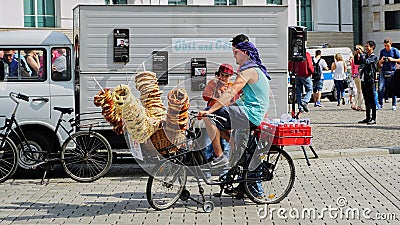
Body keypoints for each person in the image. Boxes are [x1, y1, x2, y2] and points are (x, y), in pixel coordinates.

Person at [198, 36, 270, 168]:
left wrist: (210, 110)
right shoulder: (251, 69)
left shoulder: (249, 70)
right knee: (239, 159)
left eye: (236, 52)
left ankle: (219, 157)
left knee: (210, 117)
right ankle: (233, 144)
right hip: (250, 112)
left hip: (251, 114)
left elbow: (231, 92)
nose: (234, 55)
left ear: (246, 53)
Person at [202, 63, 234, 162]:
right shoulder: (213, 83)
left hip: (224, 117)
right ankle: (206, 174)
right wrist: (216, 87)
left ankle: (224, 173)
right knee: (208, 145)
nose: (223, 78)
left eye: (226, 76)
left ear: (230, 77)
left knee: (225, 145)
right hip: (212, 116)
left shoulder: (232, 86)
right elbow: (205, 96)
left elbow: (234, 101)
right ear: (218, 74)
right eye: (222, 74)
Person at [355, 40, 378, 125]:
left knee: (372, 100)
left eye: (367, 46)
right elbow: (357, 62)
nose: (366, 48)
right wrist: (356, 54)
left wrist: (361, 54)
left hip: (370, 80)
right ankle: (368, 117)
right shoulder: (365, 56)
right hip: (364, 80)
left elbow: (367, 62)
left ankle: (374, 118)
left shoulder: (373, 57)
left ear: (372, 47)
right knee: (366, 99)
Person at [377, 38, 400, 111]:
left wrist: (392, 59)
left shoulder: (394, 50)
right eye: (385, 46)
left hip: (392, 71)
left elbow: (399, 59)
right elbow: (379, 63)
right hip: (383, 71)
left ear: (391, 44)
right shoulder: (382, 51)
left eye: (387, 46)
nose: (386, 47)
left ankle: (394, 104)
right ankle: (380, 103)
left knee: (393, 88)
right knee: (380, 88)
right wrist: (381, 61)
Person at [351, 45, 365, 111]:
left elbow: (352, 68)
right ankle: (359, 105)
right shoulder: (362, 57)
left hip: (355, 75)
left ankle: (354, 103)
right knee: (361, 91)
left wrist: (353, 75)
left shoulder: (354, 58)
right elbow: (363, 62)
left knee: (358, 91)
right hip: (360, 75)